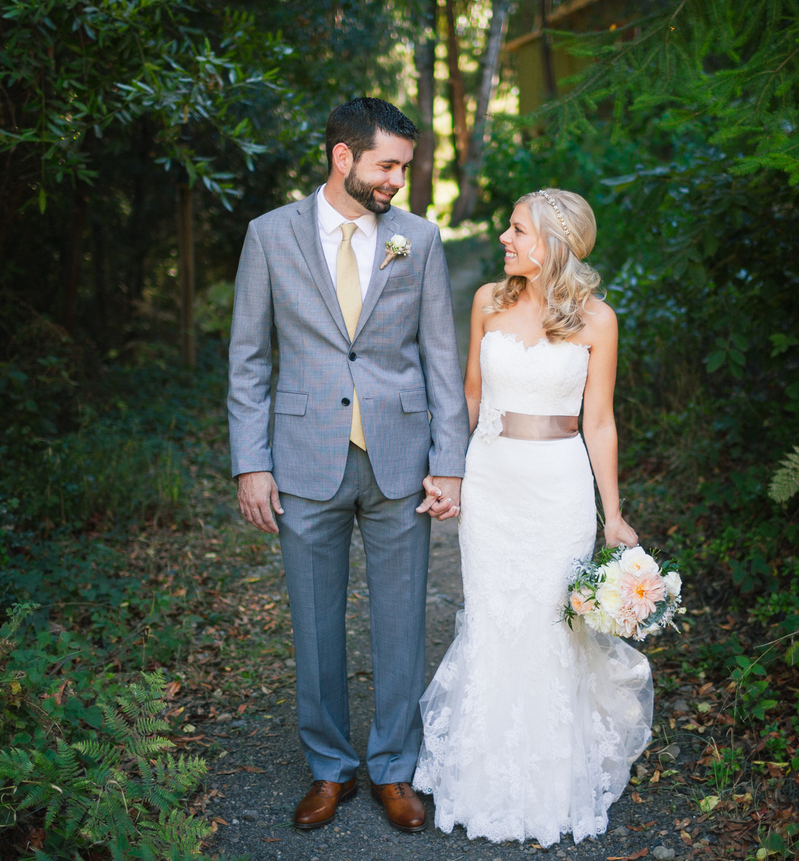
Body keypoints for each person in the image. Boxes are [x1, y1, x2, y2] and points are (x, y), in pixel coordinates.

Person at [227, 97, 468, 833]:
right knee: (314, 622)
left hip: (399, 459)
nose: (398, 179)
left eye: (404, 166)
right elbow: (248, 359)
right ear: (343, 157)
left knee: (401, 621)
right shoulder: (269, 237)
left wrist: (449, 461)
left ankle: (394, 766)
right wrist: (250, 463)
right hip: (303, 459)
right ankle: (330, 766)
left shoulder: (419, 241)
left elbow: (439, 356)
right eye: (386, 164)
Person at [413, 189, 653, 846]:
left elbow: (599, 421)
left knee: (551, 628)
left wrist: (614, 516)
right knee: (494, 619)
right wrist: (450, 473)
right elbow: (468, 393)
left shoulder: (596, 319)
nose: (505, 239)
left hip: (559, 488)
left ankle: (551, 785)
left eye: (517, 230)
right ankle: (481, 779)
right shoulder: (488, 301)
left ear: (552, 242)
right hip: (493, 485)